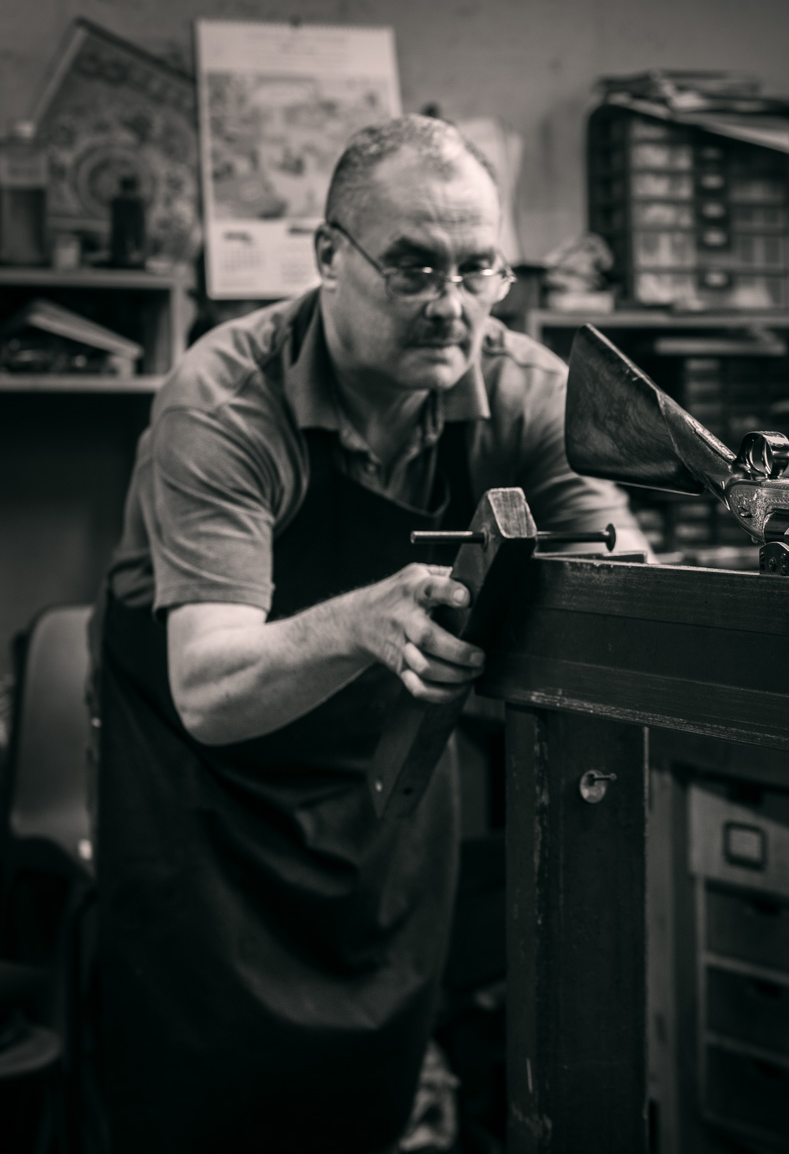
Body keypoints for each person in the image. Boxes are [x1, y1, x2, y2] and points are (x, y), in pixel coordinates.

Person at [93, 114, 647, 1153]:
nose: (453, 307)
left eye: (480, 271)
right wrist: (366, 617)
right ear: (328, 259)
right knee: (187, 1101)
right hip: (199, 800)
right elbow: (208, 689)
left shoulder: (529, 396)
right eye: (414, 268)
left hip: (382, 785)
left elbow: (622, 585)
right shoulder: (224, 402)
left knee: (366, 1097)